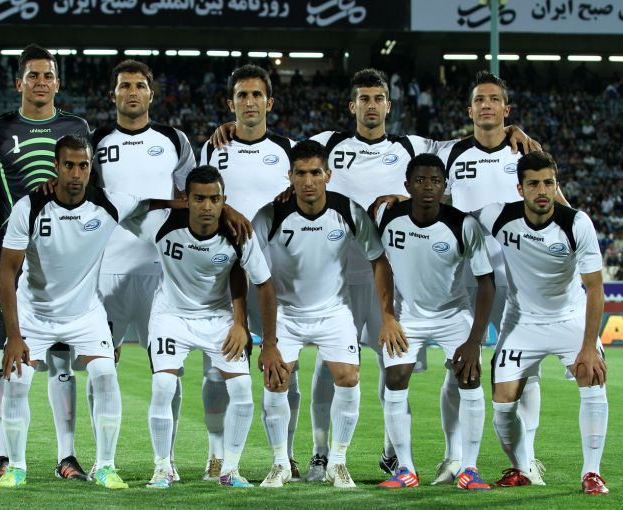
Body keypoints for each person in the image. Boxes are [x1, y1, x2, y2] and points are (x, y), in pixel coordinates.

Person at [211, 68, 537, 482]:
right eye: (364, 98)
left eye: (378, 98)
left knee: (392, 367)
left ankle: (394, 453)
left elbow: (472, 140)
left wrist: (511, 131)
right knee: (331, 369)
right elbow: (282, 149)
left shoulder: (412, 145)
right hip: (338, 278)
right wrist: (233, 128)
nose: (371, 105)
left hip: (389, 277)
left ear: (388, 105)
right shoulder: (329, 143)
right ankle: (320, 454)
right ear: (352, 106)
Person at [0, 134, 182, 489]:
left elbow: (149, 203)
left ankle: (106, 466)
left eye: (83, 165)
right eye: (69, 165)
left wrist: (190, 203)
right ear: (56, 166)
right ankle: (16, 467)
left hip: (85, 314)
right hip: (35, 315)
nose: (76, 173)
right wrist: (14, 336)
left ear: (90, 167)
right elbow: (7, 272)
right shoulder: (29, 207)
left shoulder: (107, 203)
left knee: (106, 377)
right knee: (16, 383)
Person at [0, 43, 91, 482]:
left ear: (58, 83)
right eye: (33, 75)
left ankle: (67, 457)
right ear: (18, 82)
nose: (41, 82)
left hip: (64, 264)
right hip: (13, 262)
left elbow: (88, 191)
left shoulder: (76, 128)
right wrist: (11, 217)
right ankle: (2, 455)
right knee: (10, 355)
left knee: (61, 361)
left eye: (48, 75)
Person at [252, 140, 404, 489]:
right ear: (289, 176)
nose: (308, 181)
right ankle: (280, 464)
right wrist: (266, 339)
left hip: (334, 311)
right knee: (276, 380)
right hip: (287, 313)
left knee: (349, 377)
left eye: (315, 173)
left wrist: (388, 315)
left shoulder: (348, 210)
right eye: (300, 173)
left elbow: (379, 260)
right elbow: (251, 269)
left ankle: (337, 462)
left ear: (328, 175)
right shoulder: (270, 215)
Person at [437, 71, 562, 485]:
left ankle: (528, 458)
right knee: (457, 368)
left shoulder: (525, 152)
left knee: (525, 371)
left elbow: (557, 205)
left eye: (494, 99)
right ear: (469, 110)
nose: (486, 105)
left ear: (506, 110)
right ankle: (453, 458)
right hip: (466, 276)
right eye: (480, 99)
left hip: (520, 276)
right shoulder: (451, 153)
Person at [123, 165, 279, 489]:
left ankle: (230, 470)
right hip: (171, 316)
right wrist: (173, 204)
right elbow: (127, 208)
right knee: (163, 385)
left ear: (224, 200)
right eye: (199, 199)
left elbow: (264, 284)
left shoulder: (239, 233)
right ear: (186, 200)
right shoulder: (163, 223)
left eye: (214, 199)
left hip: (219, 317)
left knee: (242, 390)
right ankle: (163, 468)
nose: (207, 206)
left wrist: (260, 337)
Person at [474, 151, 608, 495]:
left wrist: (589, 347)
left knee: (592, 378)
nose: (542, 190)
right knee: (503, 404)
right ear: (520, 188)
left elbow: (595, 288)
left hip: (570, 317)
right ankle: (522, 468)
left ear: (556, 185)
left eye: (548, 182)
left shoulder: (576, 223)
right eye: (533, 184)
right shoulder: (499, 215)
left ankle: (592, 473)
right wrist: (402, 199)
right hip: (521, 321)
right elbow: (451, 213)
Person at [91, 59, 195, 479]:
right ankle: (103, 460)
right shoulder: (95, 141)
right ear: (113, 94)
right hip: (107, 271)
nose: (132, 92)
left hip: (160, 273)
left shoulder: (173, 139)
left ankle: (165, 462)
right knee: (101, 368)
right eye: (124, 86)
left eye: (139, 85)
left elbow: (191, 200)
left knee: (167, 371)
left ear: (151, 93)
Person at [199, 64, 298, 480]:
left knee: (285, 368)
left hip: (277, 275)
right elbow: (200, 201)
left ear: (269, 102)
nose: (250, 101)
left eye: (257, 94)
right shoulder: (213, 150)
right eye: (242, 95)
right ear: (231, 103)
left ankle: (286, 455)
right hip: (224, 275)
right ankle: (215, 454)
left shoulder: (289, 149)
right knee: (217, 369)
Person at [373, 154, 494, 490]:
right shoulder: (387, 216)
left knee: (470, 378)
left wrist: (474, 340)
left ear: (445, 187)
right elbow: (379, 264)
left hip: (453, 315)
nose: (428, 187)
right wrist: (387, 316)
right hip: (407, 316)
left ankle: (469, 469)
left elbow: (487, 283)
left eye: (436, 181)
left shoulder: (463, 225)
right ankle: (405, 470)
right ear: (407, 185)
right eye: (421, 180)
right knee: (395, 378)